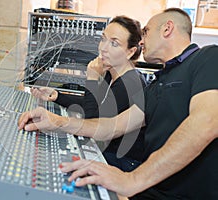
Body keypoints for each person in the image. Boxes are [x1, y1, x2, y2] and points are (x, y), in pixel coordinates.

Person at [18, 7, 218, 199]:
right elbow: (112, 127)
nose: (141, 40)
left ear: (167, 29)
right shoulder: (158, 83)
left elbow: (207, 122)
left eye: (146, 31)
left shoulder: (208, 57)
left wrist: (132, 179)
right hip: (154, 190)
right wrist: (58, 122)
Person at [31, 16, 146, 172]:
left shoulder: (130, 83)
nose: (103, 48)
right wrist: (57, 96)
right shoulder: (111, 73)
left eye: (114, 43)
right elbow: (93, 105)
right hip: (107, 151)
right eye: (103, 39)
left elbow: (93, 123)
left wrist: (92, 79)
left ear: (130, 52)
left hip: (123, 162)